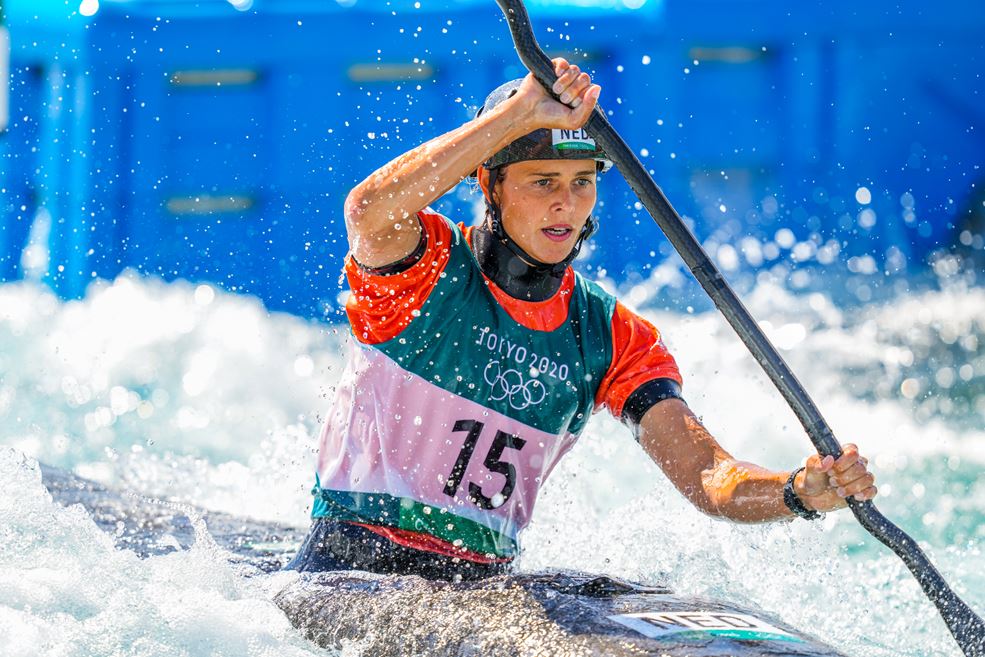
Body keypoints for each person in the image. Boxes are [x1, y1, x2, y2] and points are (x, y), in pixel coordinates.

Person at [286, 58, 877, 580]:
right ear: (489, 184)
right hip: (354, 564)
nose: (565, 204)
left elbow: (708, 477)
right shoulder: (430, 269)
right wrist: (512, 120)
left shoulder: (613, 335)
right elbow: (367, 211)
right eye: (542, 182)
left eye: (581, 183)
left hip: (481, 583)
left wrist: (799, 491)